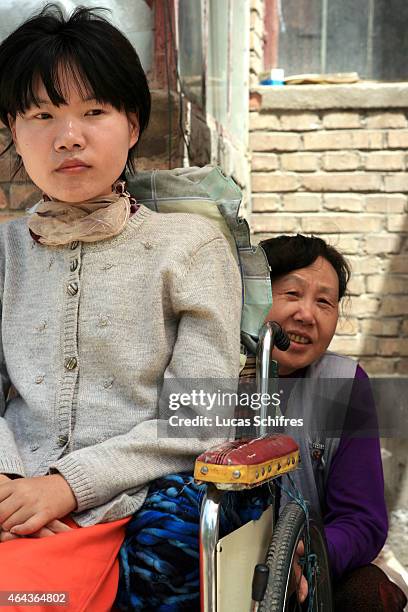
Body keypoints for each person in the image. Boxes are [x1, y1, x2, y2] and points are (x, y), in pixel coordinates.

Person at [0, 4, 241, 611]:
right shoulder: (3, 251)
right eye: (42, 115)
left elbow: (200, 419)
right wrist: (8, 485)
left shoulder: (188, 248)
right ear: (12, 128)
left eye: (94, 112)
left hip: (143, 490)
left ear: (132, 124)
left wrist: (66, 486)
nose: (69, 136)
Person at [255, 234, 407, 611]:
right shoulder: (205, 375)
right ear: (252, 297)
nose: (307, 315)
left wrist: (305, 556)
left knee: (369, 593)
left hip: (309, 570)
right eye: (291, 294)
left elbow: (362, 519)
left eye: (324, 302)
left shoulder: (344, 385)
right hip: (210, 560)